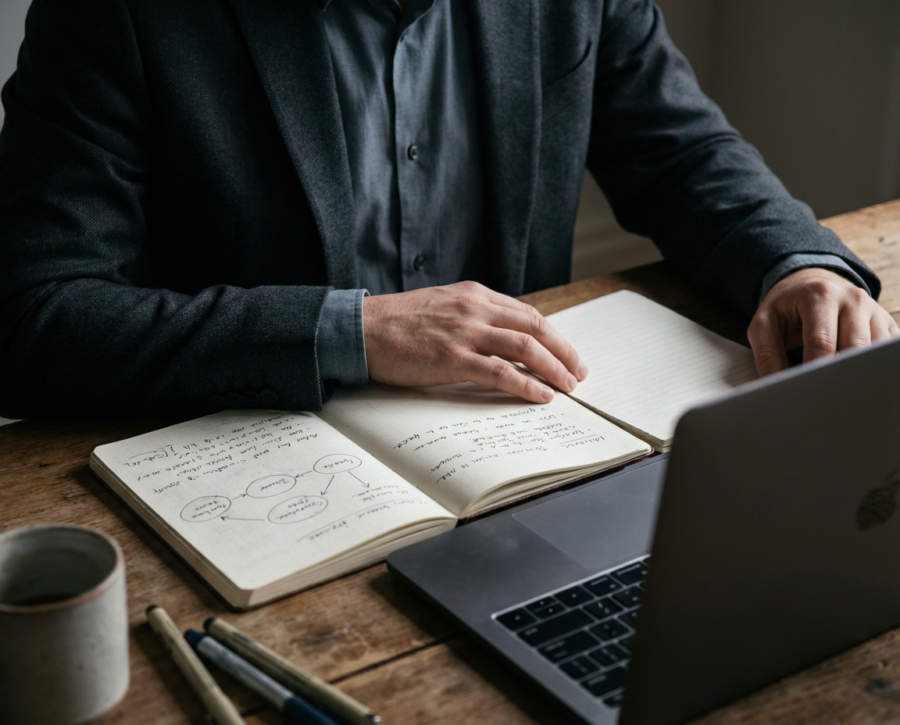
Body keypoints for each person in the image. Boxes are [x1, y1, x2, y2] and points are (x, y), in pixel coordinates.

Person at [0, 0, 895, 420]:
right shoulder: (114, 12)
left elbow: (681, 151)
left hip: (518, 441)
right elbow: (32, 316)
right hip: (245, 458)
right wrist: (353, 331)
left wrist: (796, 263)